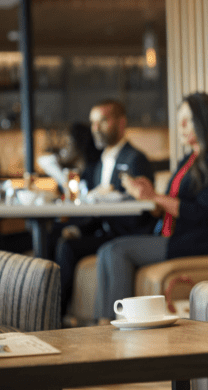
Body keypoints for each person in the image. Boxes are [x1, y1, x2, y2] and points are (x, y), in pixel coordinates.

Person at [93, 92, 208, 321]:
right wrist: (148, 197)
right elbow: (168, 205)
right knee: (106, 250)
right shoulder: (189, 159)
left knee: (117, 250)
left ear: (205, 121)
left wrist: (155, 196)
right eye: (179, 119)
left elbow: (202, 213)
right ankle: (102, 324)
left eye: (188, 120)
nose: (181, 126)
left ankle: (118, 324)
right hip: (178, 235)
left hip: (203, 239)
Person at [55, 100, 156, 317]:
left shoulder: (136, 159)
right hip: (105, 232)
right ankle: (55, 313)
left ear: (121, 123)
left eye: (102, 121)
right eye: (92, 123)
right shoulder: (99, 163)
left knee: (69, 249)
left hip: (127, 234)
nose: (95, 129)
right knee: (59, 238)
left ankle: (56, 315)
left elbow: (142, 209)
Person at [37, 122, 101, 193]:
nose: (63, 150)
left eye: (67, 144)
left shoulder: (93, 172)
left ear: (79, 145)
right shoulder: (71, 172)